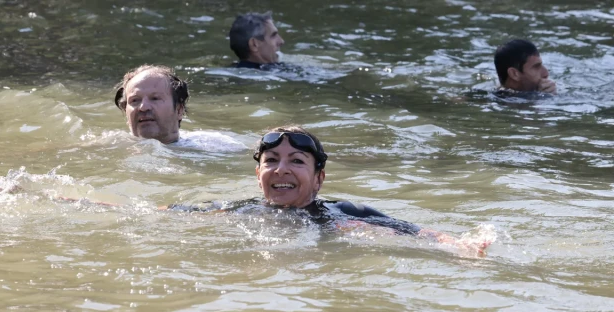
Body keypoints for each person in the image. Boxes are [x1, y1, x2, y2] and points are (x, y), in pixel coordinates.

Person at [170, 126, 491, 253]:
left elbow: (413, 231)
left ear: (319, 178)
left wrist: (462, 245)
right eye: (271, 161)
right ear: (258, 174)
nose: (281, 169)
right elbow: (176, 215)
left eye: (296, 161)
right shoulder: (242, 209)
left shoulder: (341, 214)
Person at [113, 65, 245, 150]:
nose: (143, 107)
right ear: (125, 112)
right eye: (135, 100)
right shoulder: (110, 146)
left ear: (179, 110)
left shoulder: (218, 146)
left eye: (155, 98)